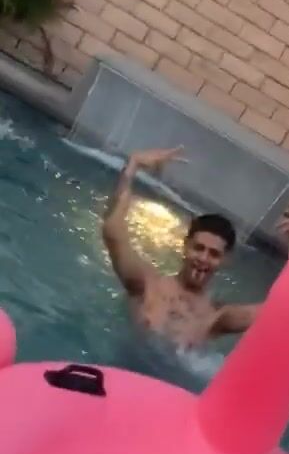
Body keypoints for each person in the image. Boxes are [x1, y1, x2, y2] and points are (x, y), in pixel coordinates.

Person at [102, 146, 260, 349]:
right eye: (199, 248)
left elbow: (274, 311)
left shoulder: (215, 317)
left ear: (225, 260)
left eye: (213, 254)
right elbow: (112, 230)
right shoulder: (148, 284)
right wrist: (133, 166)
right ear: (185, 246)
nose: (203, 258)